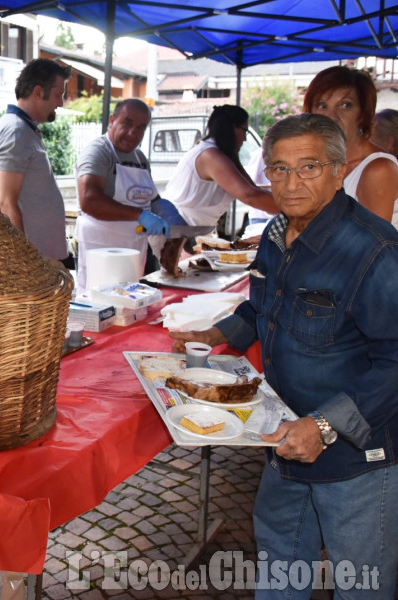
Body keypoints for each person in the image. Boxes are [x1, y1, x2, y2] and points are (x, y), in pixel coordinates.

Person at [171, 113, 398, 599]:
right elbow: (260, 306)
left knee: (362, 585)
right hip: (283, 439)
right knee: (280, 563)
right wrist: (213, 334)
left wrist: (322, 426)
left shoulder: (374, 251)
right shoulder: (277, 233)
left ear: (339, 171)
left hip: (356, 458)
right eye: (279, 169)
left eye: (310, 167)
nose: (292, 183)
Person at [73, 98, 177, 294]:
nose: (133, 133)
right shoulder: (98, 152)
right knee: (99, 303)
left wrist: (167, 212)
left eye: (140, 128)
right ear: (112, 120)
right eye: (127, 124)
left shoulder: (140, 158)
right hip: (101, 250)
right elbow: (89, 200)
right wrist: (139, 215)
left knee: (130, 304)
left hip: (133, 250)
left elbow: (151, 198)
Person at [0, 58, 73, 265]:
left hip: (42, 258)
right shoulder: (16, 131)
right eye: (59, 95)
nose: (60, 102)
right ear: (39, 92)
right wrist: (23, 259)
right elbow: (6, 202)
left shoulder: (23, 128)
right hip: (33, 261)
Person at [303, 65, 398, 226]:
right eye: (322, 105)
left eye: (345, 105)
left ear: (362, 114)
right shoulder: (321, 164)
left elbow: (370, 245)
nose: (332, 116)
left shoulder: (379, 168)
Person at [164, 104, 277, 228]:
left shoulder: (226, 155)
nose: (244, 139)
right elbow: (250, 196)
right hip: (176, 229)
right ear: (231, 128)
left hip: (192, 229)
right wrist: (295, 208)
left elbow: (254, 190)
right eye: (244, 131)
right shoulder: (210, 155)